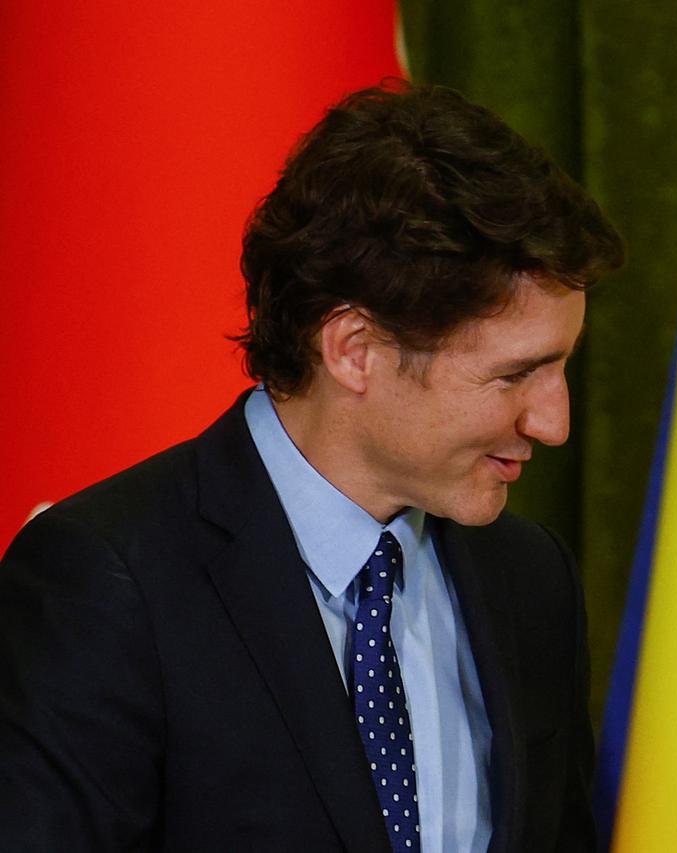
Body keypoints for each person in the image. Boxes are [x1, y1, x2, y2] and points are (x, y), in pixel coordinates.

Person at [0, 81, 623, 853]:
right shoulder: (106, 582)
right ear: (354, 350)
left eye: (560, 368)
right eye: (514, 375)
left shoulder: (532, 579)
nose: (554, 422)